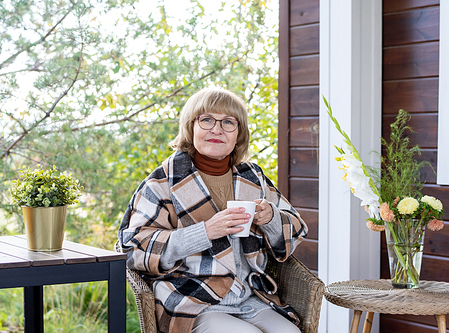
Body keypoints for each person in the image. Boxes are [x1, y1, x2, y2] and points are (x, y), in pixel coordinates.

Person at [118, 87, 308, 333]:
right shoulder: (161, 182)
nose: (217, 129)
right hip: (192, 297)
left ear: (238, 134)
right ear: (191, 126)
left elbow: (296, 228)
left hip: (250, 296)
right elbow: (133, 248)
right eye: (207, 119)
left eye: (228, 122)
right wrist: (205, 231)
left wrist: (270, 217)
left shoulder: (253, 177)